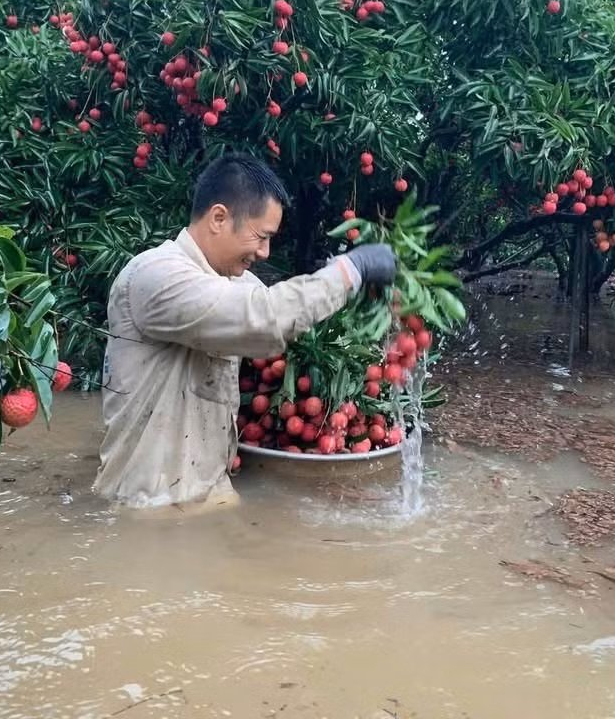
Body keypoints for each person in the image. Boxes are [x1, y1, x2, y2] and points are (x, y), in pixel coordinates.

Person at [92, 152, 397, 510]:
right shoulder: (156, 276)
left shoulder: (231, 281)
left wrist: (373, 302)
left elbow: (287, 308)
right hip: (151, 507)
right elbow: (265, 316)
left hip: (210, 494)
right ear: (219, 218)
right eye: (261, 236)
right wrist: (350, 269)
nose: (266, 252)